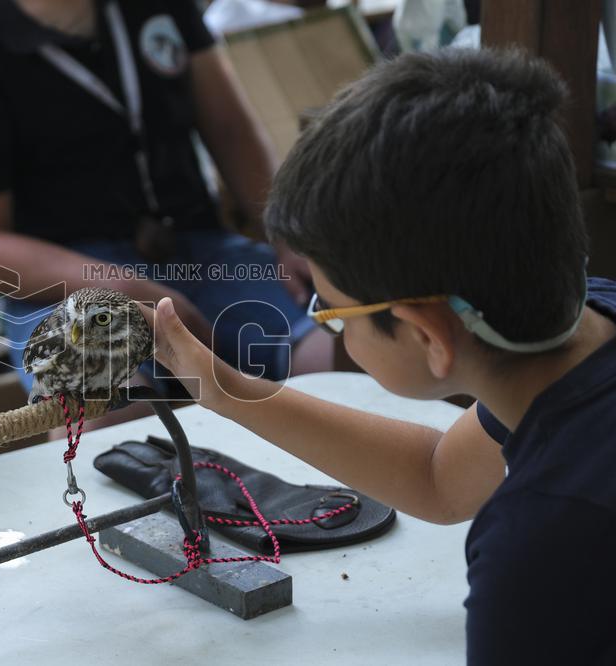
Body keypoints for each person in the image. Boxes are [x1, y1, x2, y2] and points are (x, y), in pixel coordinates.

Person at [144, 48, 616, 664]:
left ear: (428, 337)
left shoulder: (541, 545)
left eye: (332, 310)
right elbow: (441, 478)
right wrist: (220, 386)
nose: (327, 324)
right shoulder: (583, 329)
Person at [0, 0, 333, 404]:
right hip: (64, 281)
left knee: (341, 353)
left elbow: (230, 130)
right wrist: (127, 290)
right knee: (102, 405)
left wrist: (286, 232)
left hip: (199, 251)